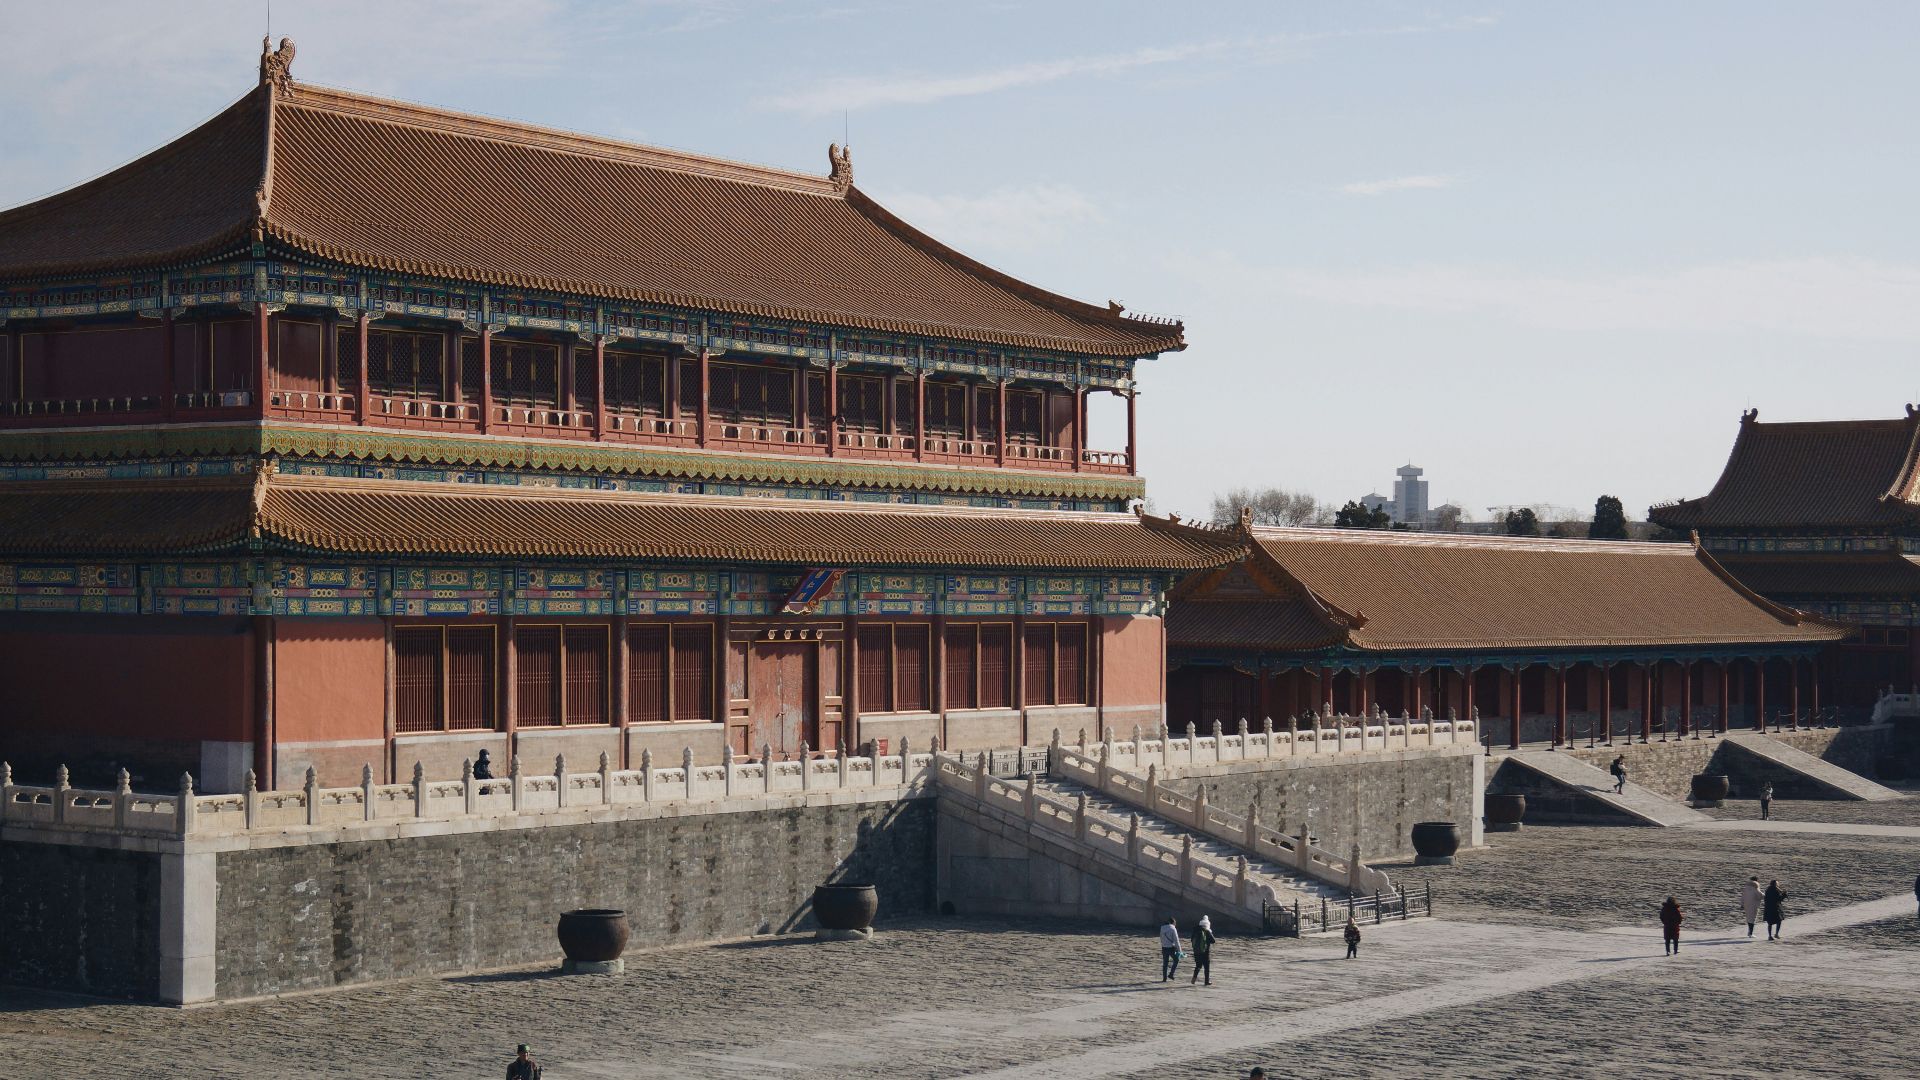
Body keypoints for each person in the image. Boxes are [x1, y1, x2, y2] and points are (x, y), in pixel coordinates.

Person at [1190, 915, 1215, 985]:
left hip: (1196, 951)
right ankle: (1206, 981)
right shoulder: (1207, 931)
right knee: (1206, 967)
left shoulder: (1195, 931)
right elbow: (1213, 941)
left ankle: (1194, 979)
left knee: (1198, 966)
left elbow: (1191, 940)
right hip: (1205, 952)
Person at [1159, 916, 1182, 981]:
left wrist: (1163, 944)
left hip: (1164, 948)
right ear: (1173, 922)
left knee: (1165, 963)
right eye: (1175, 923)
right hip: (1171, 948)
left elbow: (1161, 938)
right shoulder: (1173, 928)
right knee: (1176, 960)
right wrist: (1180, 950)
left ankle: (1164, 978)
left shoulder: (1162, 928)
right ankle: (1171, 974)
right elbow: (1176, 940)